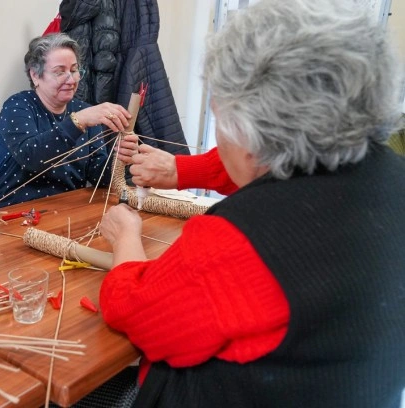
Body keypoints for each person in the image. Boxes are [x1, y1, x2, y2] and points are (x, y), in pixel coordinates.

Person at [98, 0, 405, 406]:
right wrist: (182, 171)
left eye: (222, 119)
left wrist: (125, 238)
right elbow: (285, 165)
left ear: (250, 129)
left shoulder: (242, 241)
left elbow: (133, 309)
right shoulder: (387, 173)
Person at [0, 33, 132, 208]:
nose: (71, 80)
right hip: (12, 214)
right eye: (59, 72)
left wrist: (122, 160)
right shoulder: (17, 106)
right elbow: (31, 157)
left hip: (66, 212)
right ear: (35, 76)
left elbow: (98, 176)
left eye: (74, 70)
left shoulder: (83, 110)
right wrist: (79, 121)